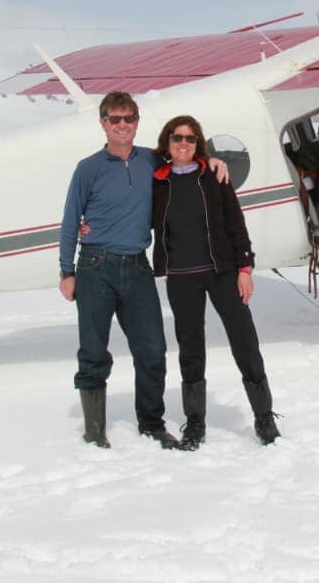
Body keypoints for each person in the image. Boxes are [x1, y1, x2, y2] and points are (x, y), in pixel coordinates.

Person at [58, 92, 228, 450]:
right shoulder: (88, 168)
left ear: (137, 121)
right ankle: (93, 430)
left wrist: (213, 161)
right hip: (95, 265)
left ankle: (151, 423)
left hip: (137, 266)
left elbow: (186, 156)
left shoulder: (152, 160)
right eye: (114, 119)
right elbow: (71, 220)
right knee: (93, 351)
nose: (122, 125)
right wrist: (66, 271)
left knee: (152, 349)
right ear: (103, 123)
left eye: (129, 118)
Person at [151, 115, 281, 450]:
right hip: (181, 278)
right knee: (190, 351)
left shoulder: (214, 176)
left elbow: (235, 223)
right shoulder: (157, 181)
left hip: (222, 272)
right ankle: (195, 423)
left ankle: (264, 417)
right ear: (167, 142)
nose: (184, 143)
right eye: (177, 138)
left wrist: (245, 268)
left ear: (199, 144)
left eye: (191, 139)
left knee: (244, 341)